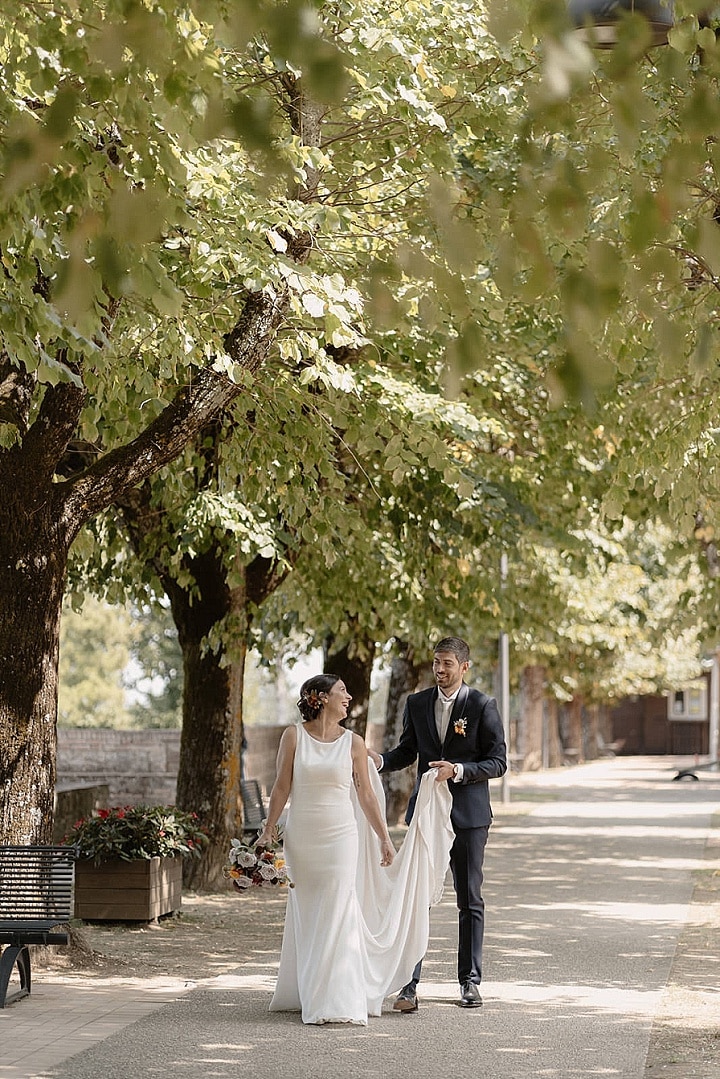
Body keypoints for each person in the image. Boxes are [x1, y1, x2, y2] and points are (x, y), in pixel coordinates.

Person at [256, 673, 453, 1026]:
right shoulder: (293, 736)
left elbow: (365, 794)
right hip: (303, 836)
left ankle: (336, 998)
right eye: (342, 691)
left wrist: (383, 838)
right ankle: (309, 988)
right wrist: (269, 829)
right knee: (309, 912)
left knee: (338, 908)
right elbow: (282, 785)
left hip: (341, 836)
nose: (348, 697)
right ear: (319, 698)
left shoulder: (353, 742)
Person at [368, 636, 507, 1012]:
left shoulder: (482, 705)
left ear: (464, 666)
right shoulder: (416, 703)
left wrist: (459, 770)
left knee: (469, 898)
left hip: (468, 814)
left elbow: (498, 761)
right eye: (436, 663)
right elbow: (406, 751)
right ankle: (408, 986)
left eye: (447, 663)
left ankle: (469, 982)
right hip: (427, 811)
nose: (440, 670)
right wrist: (378, 762)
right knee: (416, 898)